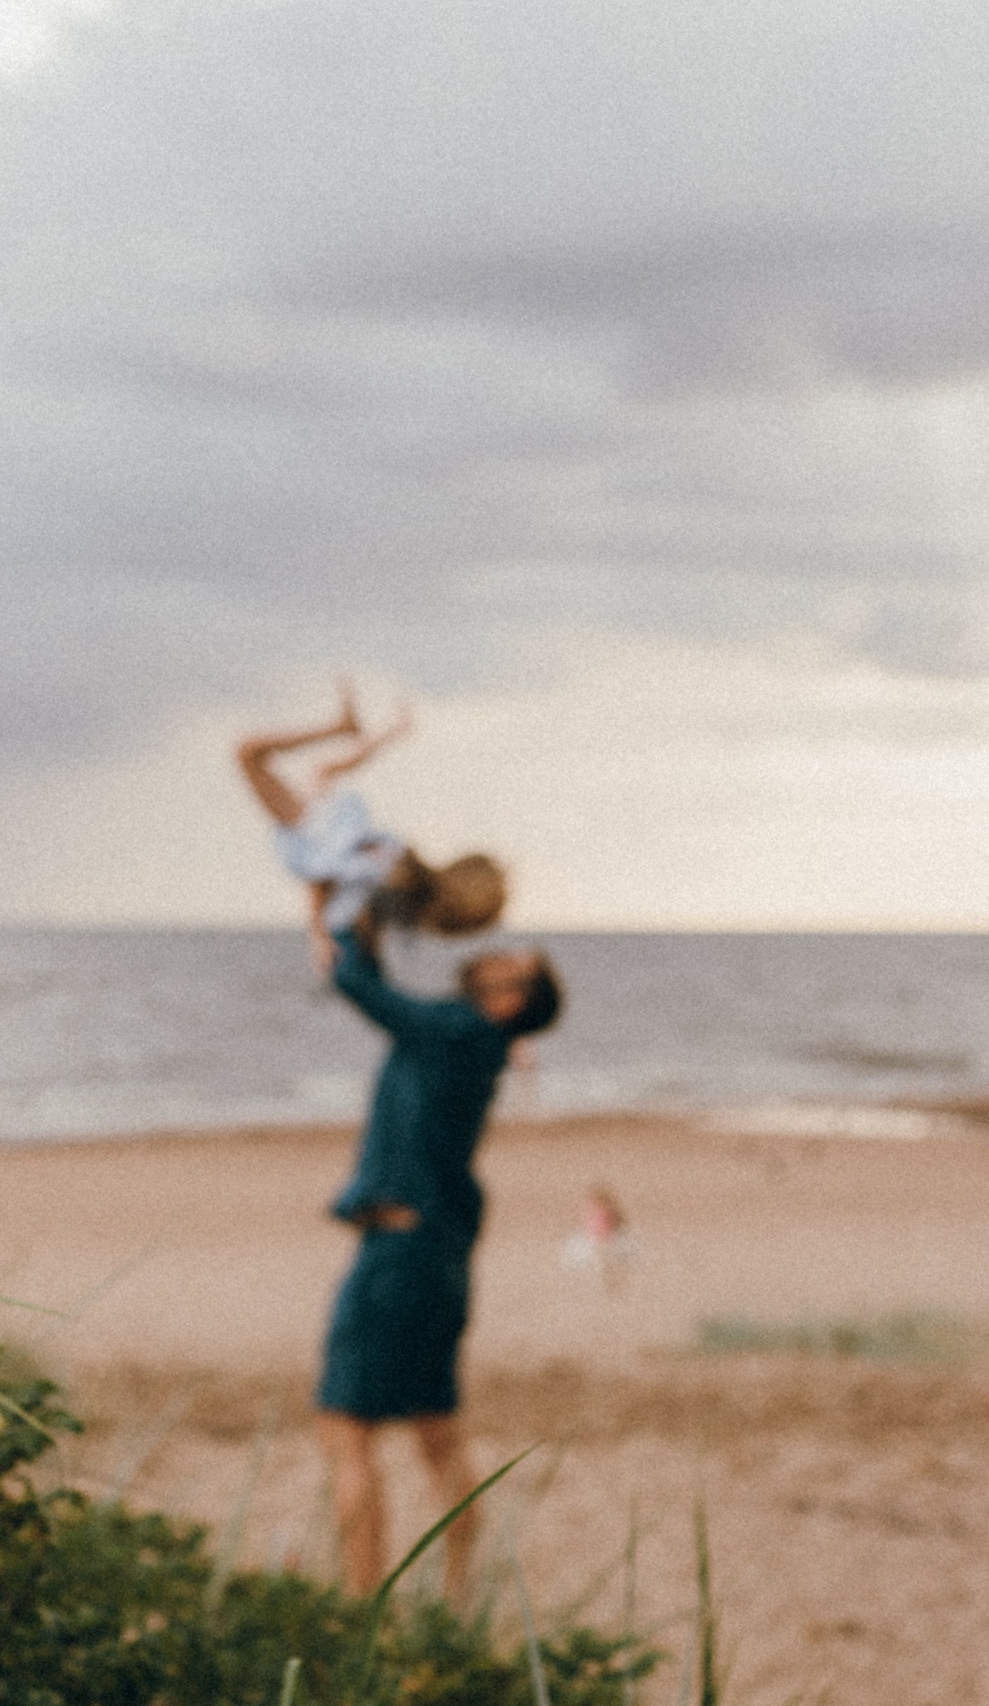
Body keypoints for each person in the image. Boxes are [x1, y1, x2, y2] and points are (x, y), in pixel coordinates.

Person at [315, 919, 562, 1601]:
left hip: (400, 1254)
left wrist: (342, 918)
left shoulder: (461, 1032)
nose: (496, 948)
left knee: (345, 1432)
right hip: (437, 1258)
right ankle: (459, 1597)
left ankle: (363, 1606)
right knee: (438, 1435)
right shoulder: (471, 1038)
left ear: (514, 996)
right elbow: (371, 981)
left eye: (514, 955)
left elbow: (362, 987)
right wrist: (361, 922)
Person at [237, 685, 508, 971]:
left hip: (317, 832)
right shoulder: (397, 868)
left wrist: (321, 937)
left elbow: (327, 878)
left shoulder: (398, 866)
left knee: (289, 762)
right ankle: (345, 727)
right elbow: (329, 881)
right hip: (317, 831)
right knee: (264, 756)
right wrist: (321, 936)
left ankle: (343, 727)